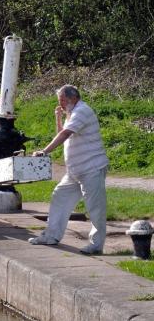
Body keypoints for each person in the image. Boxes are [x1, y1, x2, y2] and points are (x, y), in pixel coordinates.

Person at [28, 85, 109, 255]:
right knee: (59, 197)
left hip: (91, 168)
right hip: (75, 171)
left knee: (95, 208)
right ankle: (51, 236)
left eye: (62, 101)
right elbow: (64, 134)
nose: (61, 104)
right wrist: (59, 118)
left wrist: (44, 151)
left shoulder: (82, 112)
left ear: (73, 98)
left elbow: (65, 134)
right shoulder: (72, 113)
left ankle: (96, 245)